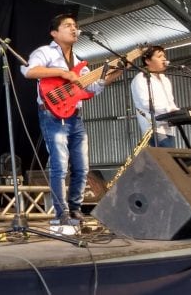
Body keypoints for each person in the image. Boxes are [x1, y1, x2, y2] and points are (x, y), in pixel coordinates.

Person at [21, 14, 124, 224]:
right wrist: (63, 73)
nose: (74, 28)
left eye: (75, 26)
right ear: (54, 33)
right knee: (59, 165)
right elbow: (29, 71)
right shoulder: (45, 52)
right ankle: (61, 213)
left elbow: (94, 87)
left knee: (82, 166)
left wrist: (116, 72)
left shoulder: (79, 62)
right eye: (68, 25)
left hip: (75, 116)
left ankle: (75, 209)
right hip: (52, 114)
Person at [131, 46, 179, 147]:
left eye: (164, 56)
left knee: (171, 159)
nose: (164, 59)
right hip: (153, 127)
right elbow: (146, 103)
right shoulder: (141, 78)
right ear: (148, 60)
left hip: (169, 127)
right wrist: (168, 110)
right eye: (160, 56)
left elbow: (171, 101)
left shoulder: (165, 79)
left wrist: (176, 112)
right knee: (165, 159)